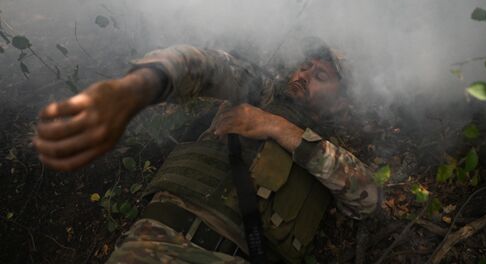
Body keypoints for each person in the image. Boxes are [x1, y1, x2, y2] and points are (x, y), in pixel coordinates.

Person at [33, 39, 378, 263]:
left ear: (341, 101)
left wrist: (273, 127)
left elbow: (369, 198)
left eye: (320, 75)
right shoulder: (259, 91)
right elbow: (208, 66)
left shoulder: (330, 154)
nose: (303, 75)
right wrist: (138, 87)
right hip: (152, 245)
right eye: (305, 66)